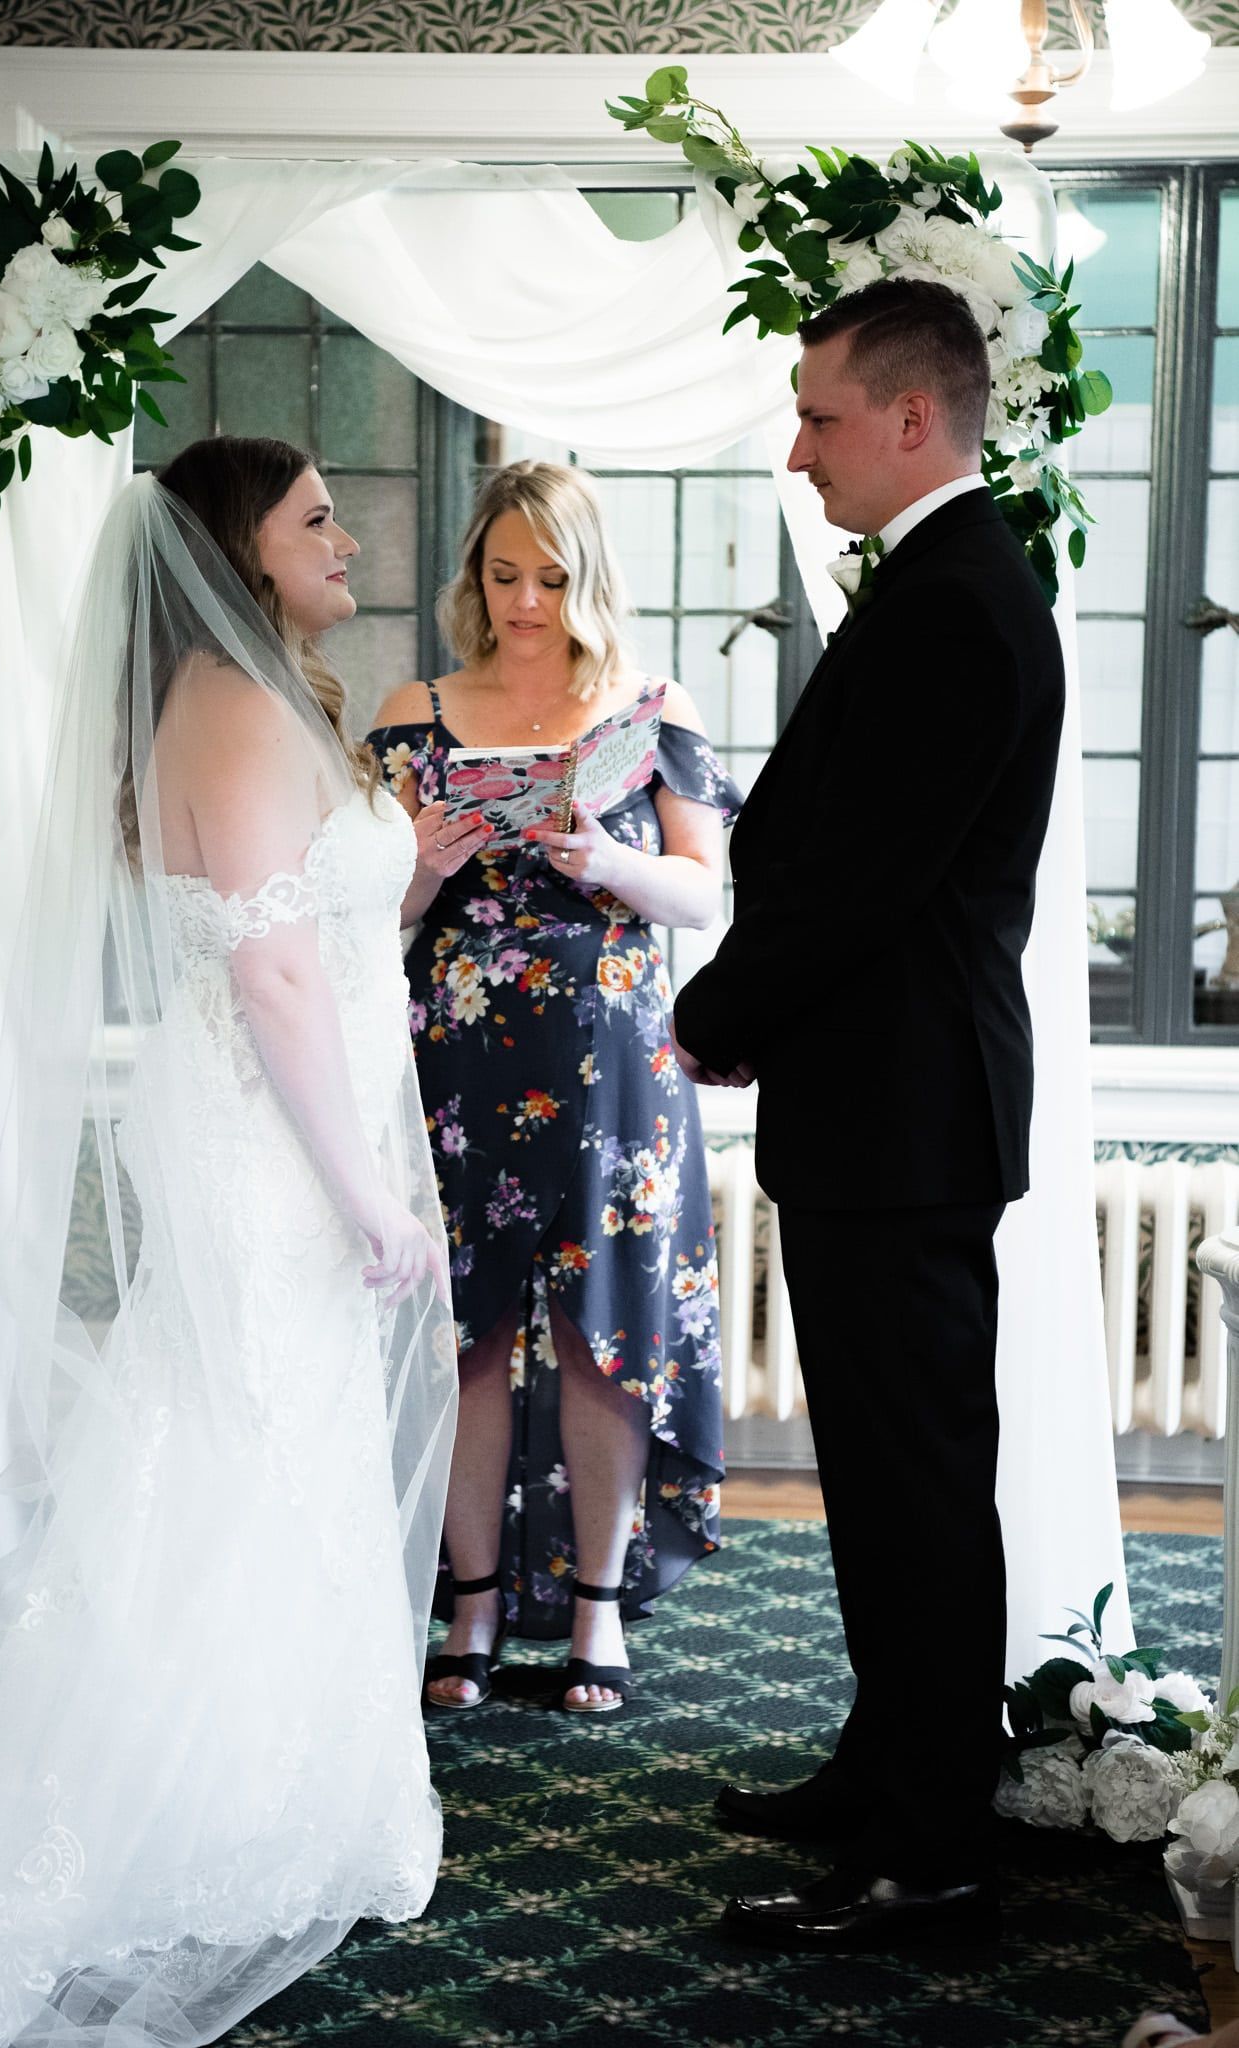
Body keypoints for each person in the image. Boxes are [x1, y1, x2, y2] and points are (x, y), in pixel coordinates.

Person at [0, 437, 457, 2047]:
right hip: (271, 1146)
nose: (349, 538)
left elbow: (295, 936)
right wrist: (365, 1198)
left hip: (265, 1121)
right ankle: (204, 1804)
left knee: (240, 1442)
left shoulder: (243, 696)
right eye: (318, 518)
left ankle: (279, 1774)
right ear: (238, 548)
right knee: (244, 1446)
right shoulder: (237, 703)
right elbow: (271, 988)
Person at [673, 279, 1066, 1948]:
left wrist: (720, 1009)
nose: (798, 447)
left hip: (904, 1118)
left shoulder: (958, 601)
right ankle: (885, 1755)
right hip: (882, 1107)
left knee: (914, 1484)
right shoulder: (943, 587)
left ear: (913, 417)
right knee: (885, 1476)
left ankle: (932, 1845)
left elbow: (859, 879)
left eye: (821, 415)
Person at [370, 460, 739, 1715]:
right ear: (473, 573)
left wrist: (611, 860)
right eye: (501, 573)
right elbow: (358, 920)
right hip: (457, 1051)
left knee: (601, 1326)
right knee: (461, 1330)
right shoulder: (414, 709)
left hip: (613, 1060)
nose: (524, 600)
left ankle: (594, 1606)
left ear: (590, 577)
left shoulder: (645, 703)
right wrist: (417, 868)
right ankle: (467, 1601)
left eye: (550, 576)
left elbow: (706, 891)